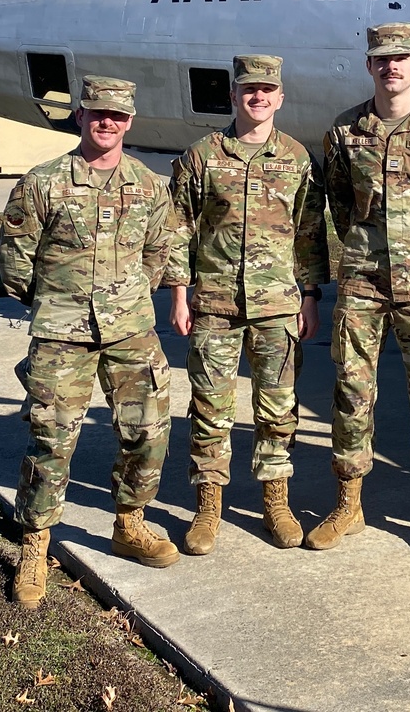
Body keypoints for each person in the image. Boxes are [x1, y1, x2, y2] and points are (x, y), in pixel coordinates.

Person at [0, 76, 179, 610]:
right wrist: (56, 304)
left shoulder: (148, 185)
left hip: (130, 331)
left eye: (117, 116)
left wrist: (126, 297)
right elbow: (15, 255)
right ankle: (34, 542)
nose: (107, 123)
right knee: (52, 440)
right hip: (62, 335)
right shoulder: (45, 182)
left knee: (149, 432)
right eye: (97, 113)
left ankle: (130, 522)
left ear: (130, 121)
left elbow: (158, 251)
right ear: (80, 116)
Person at [305, 22, 410, 564]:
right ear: (369, 66)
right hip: (362, 280)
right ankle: (349, 503)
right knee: (352, 392)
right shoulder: (344, 131)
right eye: (381, 59)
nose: (392, 67)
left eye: (401, 58)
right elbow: (337, 200)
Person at [164, 55, 329, 554]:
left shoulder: (297, 158)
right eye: (248, 90)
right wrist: (177, 292)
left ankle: (275, 503)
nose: (258, 98)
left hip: (278, 303)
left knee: (277, 408)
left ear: (280, 98)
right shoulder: (203, 155)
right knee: (210, 407)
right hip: (213, 303)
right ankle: (208, 507)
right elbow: (178, 226)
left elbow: (310, 233)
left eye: (267, 90)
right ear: (234, 97)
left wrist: (311, 296)